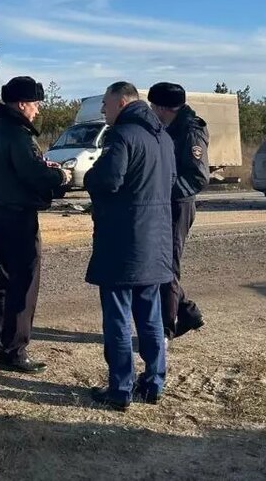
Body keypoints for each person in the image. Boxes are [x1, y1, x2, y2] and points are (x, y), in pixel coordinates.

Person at [84, 82, 176, 411]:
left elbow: (108, 179)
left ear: (122, 102)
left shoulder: (122, 135)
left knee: (118, 317)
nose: (103, 110)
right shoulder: (163, 137)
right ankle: (154, 383)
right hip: (156, 242)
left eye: (106, 104)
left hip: (123, 241)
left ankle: (120, 388)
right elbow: (170, 182)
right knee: (150, 316)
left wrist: (88, 178)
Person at [0, 76, 72, 373]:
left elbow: (15, 169)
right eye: (35, 104)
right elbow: (33, 174)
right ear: (21, 104)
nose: (38, 110)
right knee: (25, 283)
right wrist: (61, 177)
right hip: (18, 216)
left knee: (5, 279)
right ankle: (15, 351)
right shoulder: (18, 135)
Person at [147, 82, 208, 339]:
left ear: (163, 108)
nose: (151, 111)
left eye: (153, 106)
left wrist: (165, 192)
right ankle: (187, 313)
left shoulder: (190, 131)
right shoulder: (169, 127)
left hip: (178, 205)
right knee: (159, 262)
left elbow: (198, 176)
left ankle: (165, 329)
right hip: (165, 204)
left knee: (168, 265)